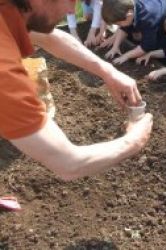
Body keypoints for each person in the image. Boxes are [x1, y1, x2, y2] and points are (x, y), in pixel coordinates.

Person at [0, 0, 153, 181]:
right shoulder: (5, 72)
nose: (72, 9)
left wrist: (108, 72)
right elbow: (69, 164)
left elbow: (50, 37)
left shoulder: (10, 11)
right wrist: (135, 140)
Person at [101, 0, 166, 65]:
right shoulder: (129, 8)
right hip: (159, 14)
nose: (119, 26)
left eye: (119, 23)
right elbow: (124, 27)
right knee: (154, 39)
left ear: (129, 15)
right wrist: (115, 47)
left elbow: (146, 46)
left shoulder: (147, 18)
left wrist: (126, 56)